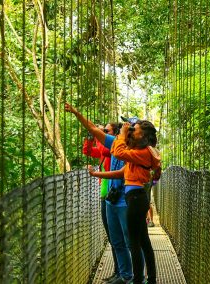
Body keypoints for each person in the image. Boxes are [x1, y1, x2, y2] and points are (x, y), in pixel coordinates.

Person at [64, 103, 133, 284]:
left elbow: (121, 171)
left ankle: (132, 277)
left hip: (126, 200)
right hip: (111, 199)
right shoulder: (115, 143)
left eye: (128, 127)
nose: (124, 128)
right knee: (116, 240)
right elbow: (93, 134)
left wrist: (97, 174)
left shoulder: (133, 150)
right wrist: (77, 113)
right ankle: (123, 275)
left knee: (129, 241)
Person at [111, 120, 160, 284]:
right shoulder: (145, 151)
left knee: (134, 242)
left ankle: (138, 280)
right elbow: (115, 150)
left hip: (136, 198)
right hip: (139, 198)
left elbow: (118, 153)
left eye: (136, 130)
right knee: (144, 241)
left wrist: (123, 134)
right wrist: (123, 135)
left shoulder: (143, 153)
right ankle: (151, 279)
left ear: (144, 136)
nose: (132, 131)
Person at [82, 123, 121, 281]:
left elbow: (105, 149)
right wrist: (91, 137)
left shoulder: (114, 148)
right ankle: (118, 271)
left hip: (113, 196)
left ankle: (122, 272)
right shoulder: (104, 151)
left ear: (114, 134)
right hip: (105, 195)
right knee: (112, 237)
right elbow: (88, 151)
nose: (103, 133)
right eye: (103, 131)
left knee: (116, 237)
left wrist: (97, 133)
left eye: (106, 131)